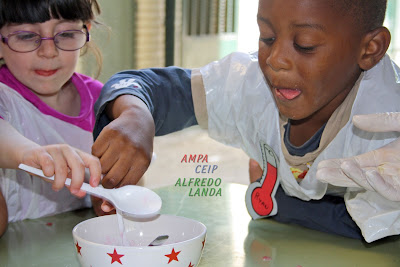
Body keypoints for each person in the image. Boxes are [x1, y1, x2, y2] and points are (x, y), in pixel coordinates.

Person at [92, 0, 399, 242]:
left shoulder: (389, 121)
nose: (276, 58)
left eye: (305, 44)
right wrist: (135, 116)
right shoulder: (250, 84)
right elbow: (145, 86)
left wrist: (283, 200)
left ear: (370, 49)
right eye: (267, 36)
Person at [0, 0, 105, 236]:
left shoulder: (104, 102)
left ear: (86, 32)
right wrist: (27, 153)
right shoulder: (5, 98)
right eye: (26, 36)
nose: (49, 52)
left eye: (66, 33)